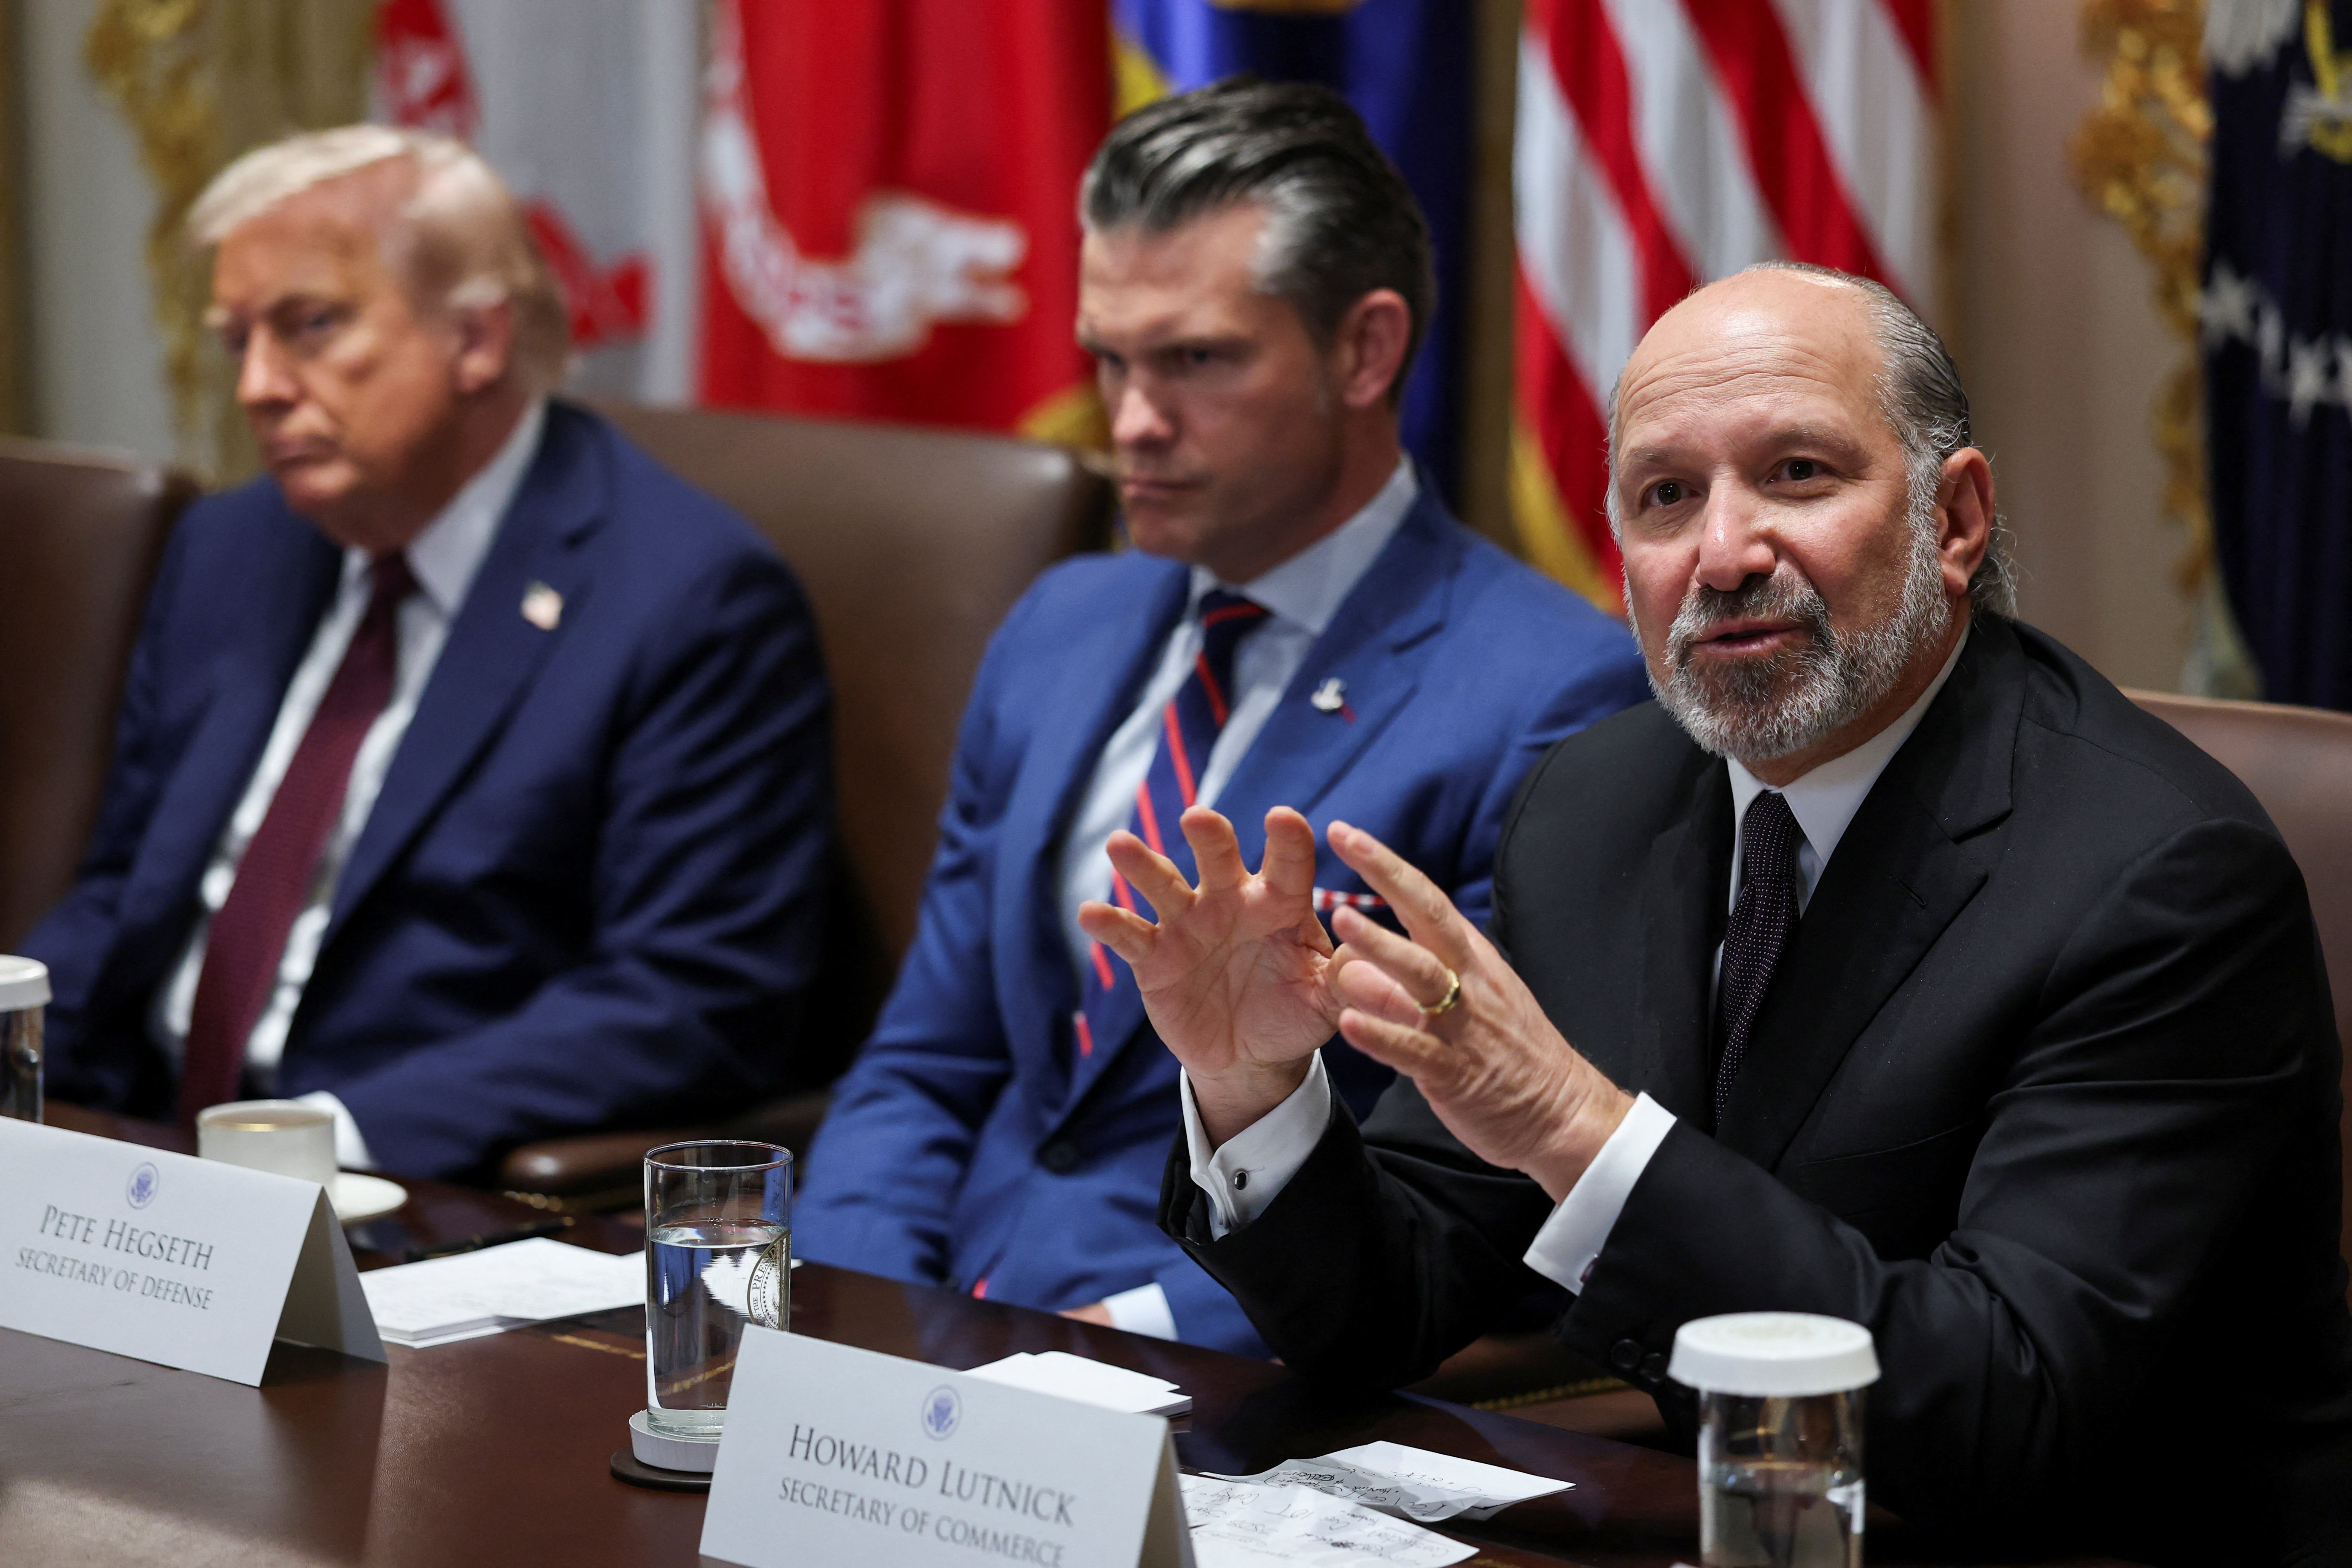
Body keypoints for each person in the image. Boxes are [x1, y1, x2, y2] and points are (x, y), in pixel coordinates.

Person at [1092, 265, 2352, 1562]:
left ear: (1955, 518)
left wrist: (1575, 1130)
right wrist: (1254, 1092)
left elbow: (1997, 1415)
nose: (1724, 552)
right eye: (1665, 497)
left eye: (1798, 473)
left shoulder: (2159, 877)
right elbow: (1387, 1307)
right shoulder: (1598, 802)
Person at [792, 79, 1647, 1356]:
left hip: (1225, 1365)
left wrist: (1116, 1342)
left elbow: (1480, 1188)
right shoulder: (1058, 626)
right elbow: (929, 1057)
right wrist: (853, 1315)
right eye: (1108, 360)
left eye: (1195, 360)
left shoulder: (1553, 693)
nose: (1128, 422)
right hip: (936, 1336)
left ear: (1363, 350)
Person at [25, 127, 832, 1181]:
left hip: (413, 1187)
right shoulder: (233, 545)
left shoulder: (688, 597)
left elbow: (686, 997)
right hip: (141, 1158)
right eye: (238, 342)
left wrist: (315, 1146)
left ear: (477, 339)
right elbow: (125, 891)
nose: (259, 386)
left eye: (310, 327)